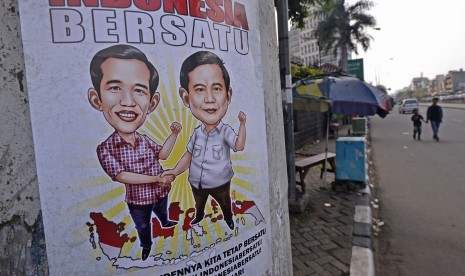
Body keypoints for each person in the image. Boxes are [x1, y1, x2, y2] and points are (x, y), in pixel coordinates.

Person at [87, 44, 181, 261]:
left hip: (159, 192)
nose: (128, 102)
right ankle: (147, 246)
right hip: (138, 200)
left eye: (139, 90)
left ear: (151, 103)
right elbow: (121, 176)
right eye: (114, 88)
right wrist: (157, 177)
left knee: (162, 210)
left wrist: (174, 135)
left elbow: (163, 155)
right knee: (142, 224)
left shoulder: (145, 139)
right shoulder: (106, 148)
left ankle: (165, 221)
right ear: (96, 99)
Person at [163, 51, 246, 231]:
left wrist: (242, 125)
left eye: (216, 88)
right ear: (186, 97)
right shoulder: (197, 132)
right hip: (196, 182)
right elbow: (189, 155)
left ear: (228, 95)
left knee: (225, 205)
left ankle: (229, 218)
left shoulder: (225, 131)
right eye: (200, 89)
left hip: (220, 183)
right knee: (199, 204)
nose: (209, 99)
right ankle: (199, 215)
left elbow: (239, 146)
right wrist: (175, 171)